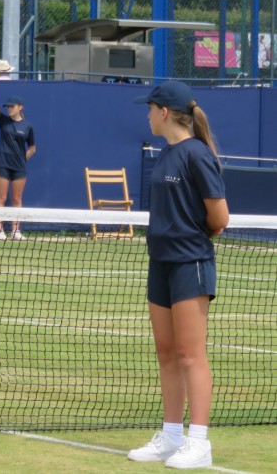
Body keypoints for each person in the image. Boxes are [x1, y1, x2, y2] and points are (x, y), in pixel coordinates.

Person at [128, 81, 229, 469]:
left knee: (190, 354)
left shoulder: (196, 155)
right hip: (160, 263)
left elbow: (219, 218)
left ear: (165, 112)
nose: (147, 115)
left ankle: (198, 443)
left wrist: (189, 238)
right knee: (167, 353)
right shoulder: (164, 153)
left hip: (191, 264)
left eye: (150, 109)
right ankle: (171, 436)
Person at [0, 78, 36, 240]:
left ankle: (15, 231)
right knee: (1, 198)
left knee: (17, 199)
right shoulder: (3, 121)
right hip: (2, 165)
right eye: (7, 107)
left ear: (20, 107)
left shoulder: (28, 126)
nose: (9, 109)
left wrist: (22, 159)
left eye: (12, 106)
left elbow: (33, 148)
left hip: (19, 168)